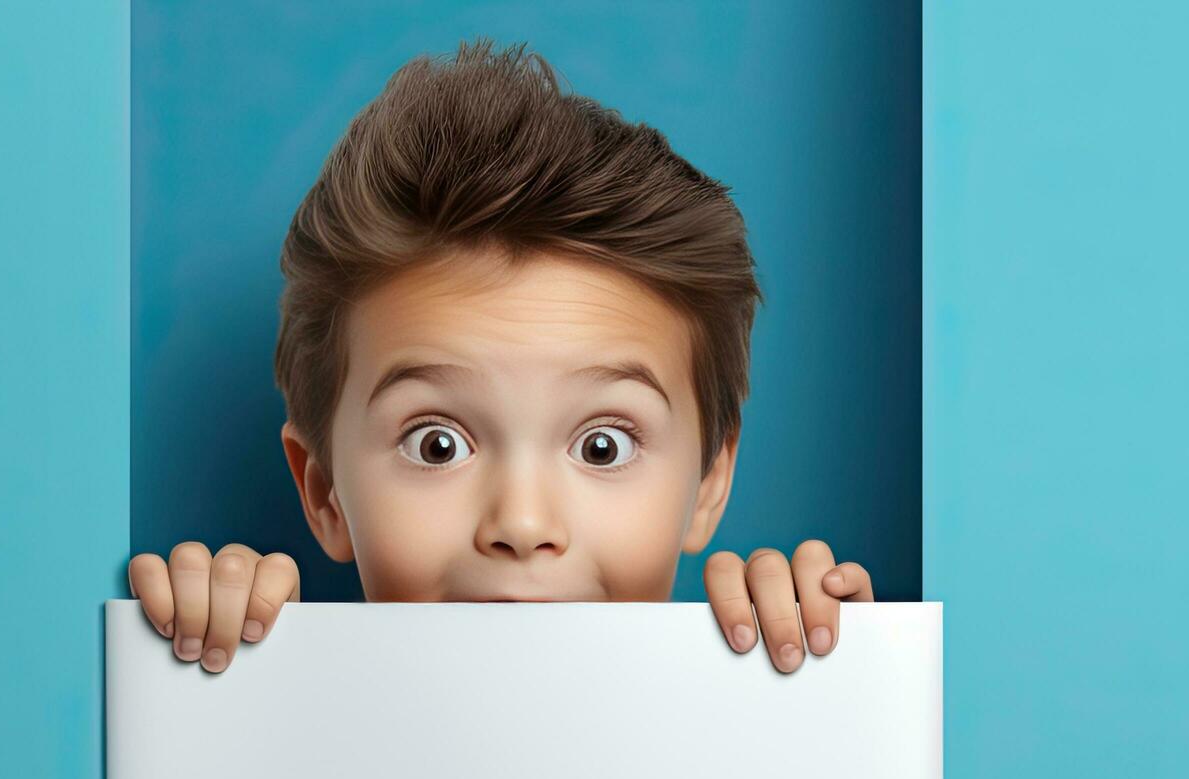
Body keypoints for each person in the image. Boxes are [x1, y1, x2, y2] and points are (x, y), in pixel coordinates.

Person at [126, 38, 871, 676]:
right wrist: (218, 660)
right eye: (437, 443)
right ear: (323, 494)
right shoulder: (256, 716)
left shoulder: (776, 709)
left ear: (708, 482)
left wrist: (829, 675)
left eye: (603, 445)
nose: (521, 523)